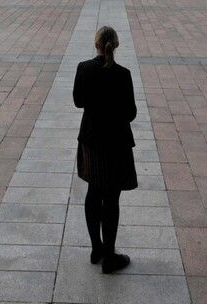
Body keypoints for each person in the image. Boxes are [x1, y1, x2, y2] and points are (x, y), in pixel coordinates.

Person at [73, 26, 137, 275]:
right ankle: (110, 256)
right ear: (115, 45)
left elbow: (78, 101)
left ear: (96, 44)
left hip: (91, 141)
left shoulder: (84, 68)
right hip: (116, 143)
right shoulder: (123, 74)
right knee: (111, 197)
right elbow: (131, 113)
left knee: (93, 191)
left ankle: (96, 248)